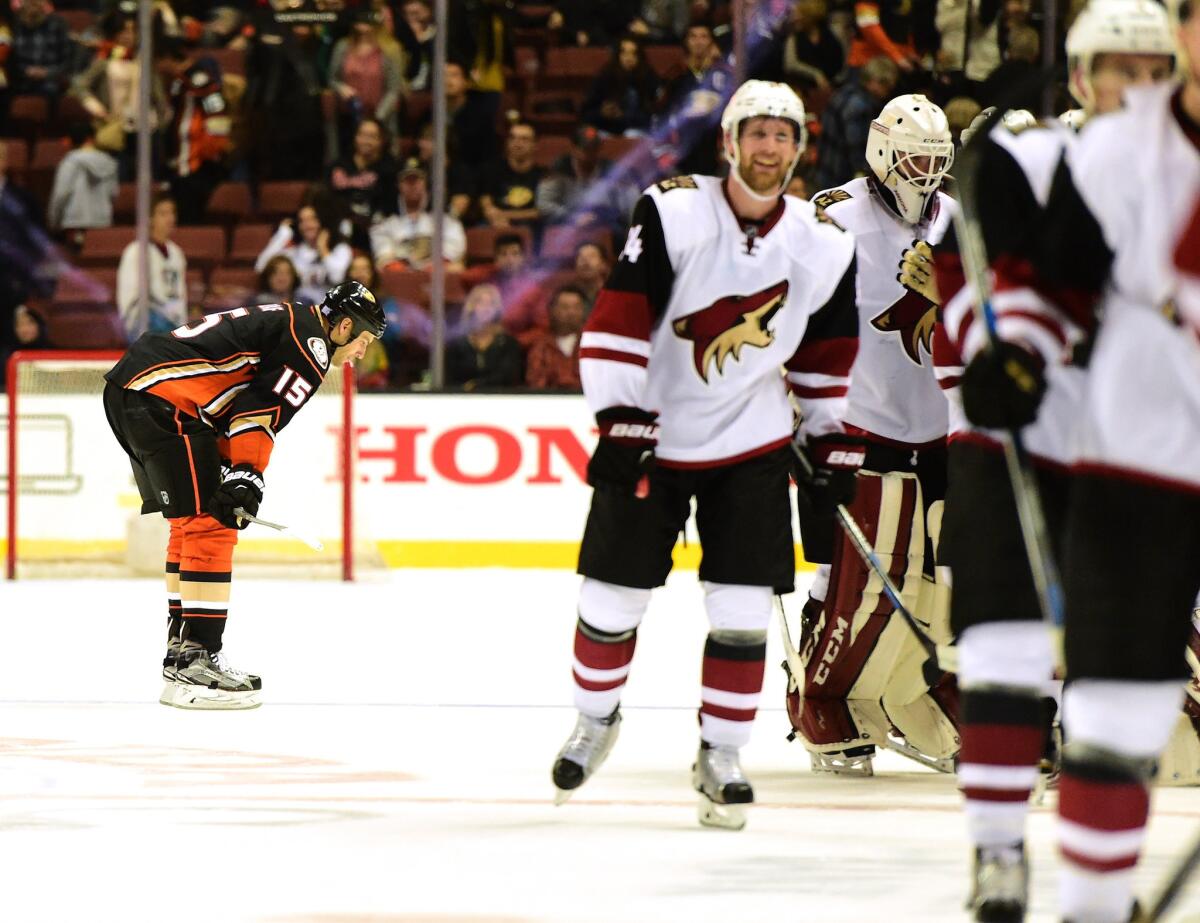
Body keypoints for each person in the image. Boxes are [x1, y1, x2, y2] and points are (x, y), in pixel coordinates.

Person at [550, 80, 860, 830]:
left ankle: (721, 752)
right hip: (653, 432)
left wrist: (830, 442)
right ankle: (596, 720)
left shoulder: (823, 245)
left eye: (783, 137)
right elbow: (619, 317)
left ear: (799, 148)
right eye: (756, 134)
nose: (768, 149)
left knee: (744, 608)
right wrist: (621, 415)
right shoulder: (673, 209)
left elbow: (827, 357)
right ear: (730, 142)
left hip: (751, 440)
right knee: (610, 600)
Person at [928, 1, 1179, 917]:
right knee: (1003, 649)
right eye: (1114, 66)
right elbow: (973, 282)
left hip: (1137, 456)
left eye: (1150, 69)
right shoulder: (1030, 160)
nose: (1132, 84)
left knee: (1116, 686)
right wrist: (1000, 357)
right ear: (1078, 75)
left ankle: (1095, 891)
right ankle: (997, 850)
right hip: (1018, 441)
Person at [102, 282, 384, 710]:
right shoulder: (312, 346)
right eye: (363, 339)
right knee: (213, 525)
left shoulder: (294, 321)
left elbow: (237, 406)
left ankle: (184, 657)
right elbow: (257, 414)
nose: (362, 352)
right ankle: (196, 663)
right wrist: (248, 475)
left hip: (135, 391)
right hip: (164, 399)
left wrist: (238, 471)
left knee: (190, 523)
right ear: (344, 326)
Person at [786, 94, 958, 778]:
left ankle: (917, 685)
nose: (926, 175)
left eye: (937, 163)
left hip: (941, 423)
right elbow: (790, 303)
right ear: (884, 154)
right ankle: (818, 688)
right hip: (859, 420)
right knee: (846, 576)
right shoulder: (835, 215)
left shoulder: (960, 220)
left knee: (937, 578)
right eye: (915, 158)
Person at [164, 54, 233, 226]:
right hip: (185, 163)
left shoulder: (198, 79)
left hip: (198, 164)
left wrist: (212, 151)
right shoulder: (178, 83)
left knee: (191, 216)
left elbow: (217, 118)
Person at [813, 56, 899, 191]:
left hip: (824, 168)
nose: (886, 92)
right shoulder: (860, 107)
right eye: (886, 86)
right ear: (874, 81)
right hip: (839, 177)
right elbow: (858, 152)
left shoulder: (843, 92)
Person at [370, 158, 467, 272]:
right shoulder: (386, 219)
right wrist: (402, 270)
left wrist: (431, 267)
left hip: (436, 273)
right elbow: (383, 251)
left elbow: (453, 247)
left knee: (456, 268)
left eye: (417, 180)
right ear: (399, 185)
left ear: (425, 183)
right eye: (407, 181)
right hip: (400, 275)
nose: (412, 185)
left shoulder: (444, 216)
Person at [117, 193, 188, 341]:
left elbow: (180, 295)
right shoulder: (136, 251)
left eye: (172, 213)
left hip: (173, 321)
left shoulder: (176, 253)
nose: (170, 219)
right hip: (146, 323)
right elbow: (130, 298)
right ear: (150, 218)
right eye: (163, 213)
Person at [255, 204, 353, 306]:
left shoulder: (340, 249)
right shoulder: (295, 252)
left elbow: (337, 277)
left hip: (331, 311)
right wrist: (283, 234)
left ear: (322, 221)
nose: (307, 225)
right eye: (302, 221)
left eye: (312, 219)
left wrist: (323, 249)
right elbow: (261, 266)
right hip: (302, 309)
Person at [326, 117, 399, 249]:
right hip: (340, 229)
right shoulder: (340, 165)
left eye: (372, 136)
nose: (365, 141)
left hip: (374, 231)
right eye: (362, 135)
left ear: (382, 141)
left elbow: (390, 206)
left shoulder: (390, 169)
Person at [47, 121, 118, 244]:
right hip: (102, 224)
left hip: (74, 224)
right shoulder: (109, 163)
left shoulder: (69, 162)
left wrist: (53, 221)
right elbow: (113, 194)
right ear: (92, 138)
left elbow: (61, 194)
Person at [446, 282, 523, 389]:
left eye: (491, 304)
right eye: (481, 303)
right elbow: (449, 380)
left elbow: (508, 378)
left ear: (497, 310)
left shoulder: (509, 344)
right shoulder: (456, 346)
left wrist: (476, 385)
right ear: (471, 307)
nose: (486, 308)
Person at [581, 36, 660, 137]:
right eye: (624, 53)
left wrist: (625, 116)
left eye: (633, 53)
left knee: (631, 135)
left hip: (636, 129)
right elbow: (587, 114)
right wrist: (602, 113)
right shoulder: (604, 77)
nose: (629, 58)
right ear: (617, 55)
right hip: (607, 128)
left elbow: (652, 114)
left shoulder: (648, 77)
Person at [480, 120, 544, 230]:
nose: (517, 143)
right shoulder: (491, 170)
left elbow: (540, 212)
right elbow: (487, 205)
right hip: (496, 225)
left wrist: (504, 215)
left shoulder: (544, 176)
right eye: (512, 138)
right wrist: (495, 217)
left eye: (524, 139)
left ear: (535, 145)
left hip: (531, 227)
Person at [524, 285, 586, 390]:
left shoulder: (591, 344)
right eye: (565, 307)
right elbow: (536, 384)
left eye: (576, 307)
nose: (571, 312)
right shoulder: (541, 347)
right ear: (552, 310)